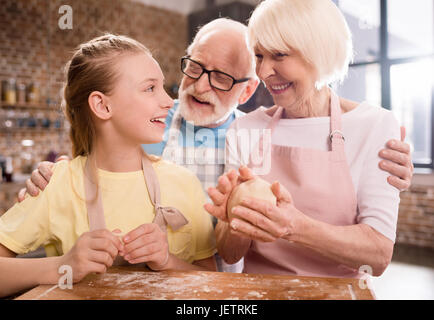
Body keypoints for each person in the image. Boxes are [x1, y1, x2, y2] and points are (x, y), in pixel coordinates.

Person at [19, 18, 413, 273]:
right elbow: (102, 158)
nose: (200, 85)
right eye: (194, 66)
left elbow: (225, 257)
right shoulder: (148, 122)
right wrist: (61, 172)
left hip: (215, 287)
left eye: (222, 77)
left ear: (248, 89)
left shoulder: (250, 135)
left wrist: (385, 170)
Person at [0, 34, 217, 298]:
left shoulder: (184, 182)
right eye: (150, 88)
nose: (168, 101)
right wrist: (62, 266)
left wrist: (167, 261)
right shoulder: (56, 183)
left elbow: (212, 284)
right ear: (102, 105)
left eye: (162, 87)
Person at [205, 0, 407, 278]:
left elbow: (378, 257)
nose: (263, 72)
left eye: (279, 55)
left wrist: (295, 227)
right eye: (260, 56)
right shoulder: (244, 129)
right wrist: (235, 220)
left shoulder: (374, 126)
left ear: (318, 52)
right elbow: (229, 254)